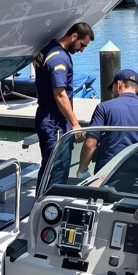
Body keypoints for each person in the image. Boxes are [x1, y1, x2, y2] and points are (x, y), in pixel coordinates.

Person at [34, 22, 94, 191]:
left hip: (46, 116)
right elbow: (60, 95)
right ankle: (48, 209)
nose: (82, 50)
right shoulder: (59, 59)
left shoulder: (48, 48)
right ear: (74, 36)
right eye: (82, 45)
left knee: (48, 166)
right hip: (55, 123)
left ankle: (42, 203)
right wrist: (75, 123)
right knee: (57, 168)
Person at [78, 68, 138, 175]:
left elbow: (90, 144)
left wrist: (82, 170)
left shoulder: (103, 108)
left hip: (106, 175)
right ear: (137, 88)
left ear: (118, 84)